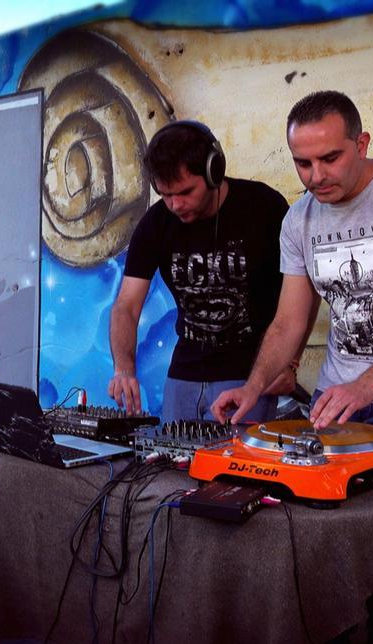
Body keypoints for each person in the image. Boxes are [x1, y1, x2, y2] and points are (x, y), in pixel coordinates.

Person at [212, 90, 373, 491]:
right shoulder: (299, 220)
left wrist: (366, 385)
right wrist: (254, 386)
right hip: (336, 398)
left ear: (361, 143)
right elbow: (288, 322)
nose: (316, 176)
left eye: (330, 158)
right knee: (324, 521)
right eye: (303, 163)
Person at [108, 120, 295, 422]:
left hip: (250, 377)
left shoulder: (264, 208)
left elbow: (300, 296)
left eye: (184, 192)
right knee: (170, 467)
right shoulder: (155, 223)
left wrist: (289, 362)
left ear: (213, 171)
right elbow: (126, 307)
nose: (175, 205)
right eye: (165, 194)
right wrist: (124, 369)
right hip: (183, 375)